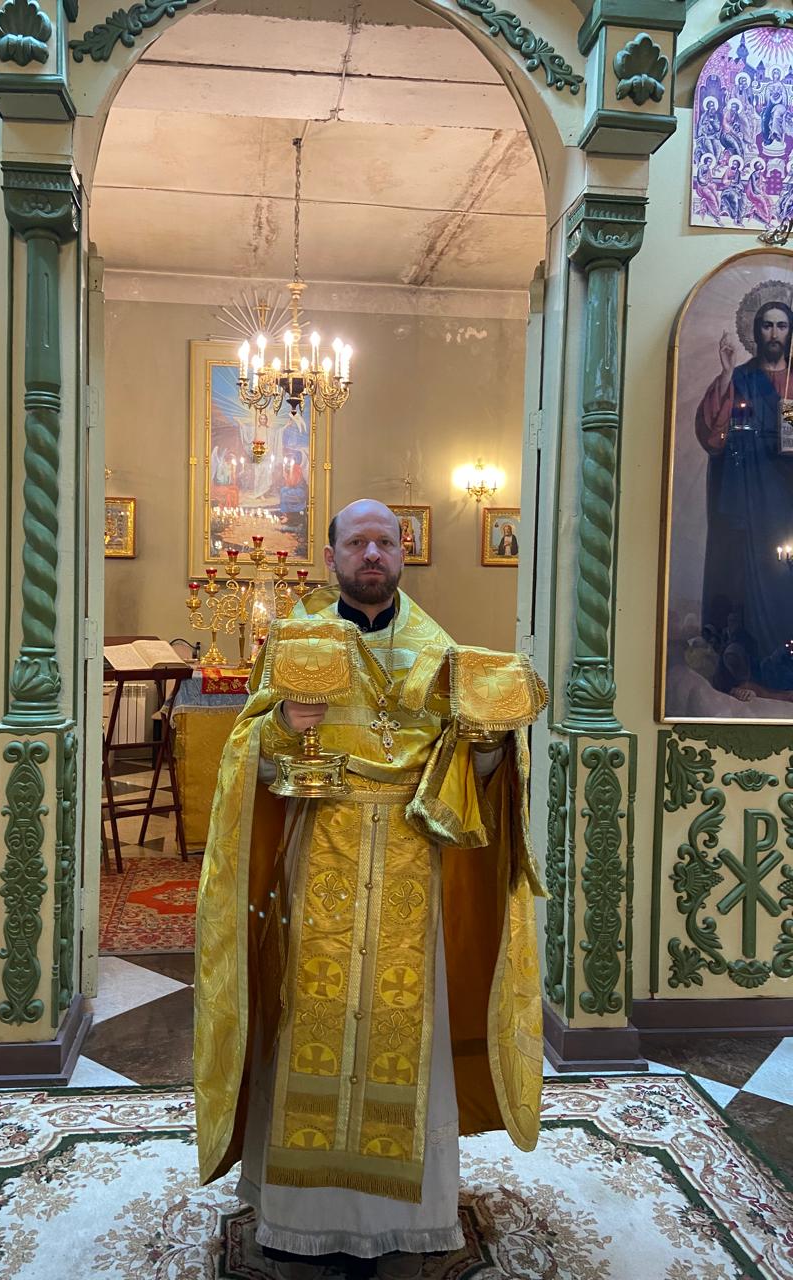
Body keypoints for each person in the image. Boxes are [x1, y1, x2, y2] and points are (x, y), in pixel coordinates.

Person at [194, 499, 545, 1280]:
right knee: (306, 1021)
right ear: (332, 556)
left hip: (415, 872)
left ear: (403, 553)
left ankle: (403, 1223)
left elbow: (477, 773)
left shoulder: (440, 651)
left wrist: (490, 744)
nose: (373, 553)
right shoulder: (296, 640)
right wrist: (284, 724)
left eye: (386, 540)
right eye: (358, 542)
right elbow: (249, 752)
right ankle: (297, 1219)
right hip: (318, 860)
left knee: (407, 1037)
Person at [694, 300, 793, 696]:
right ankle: (753, 673)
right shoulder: (741, 378)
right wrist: (724, 375)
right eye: (767, 325)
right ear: (756, 331)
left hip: (788, 494)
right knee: (754, 578)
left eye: (781, 326)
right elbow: (713, 436)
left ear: (790, 332)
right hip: (751, 496)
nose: (774, 334)